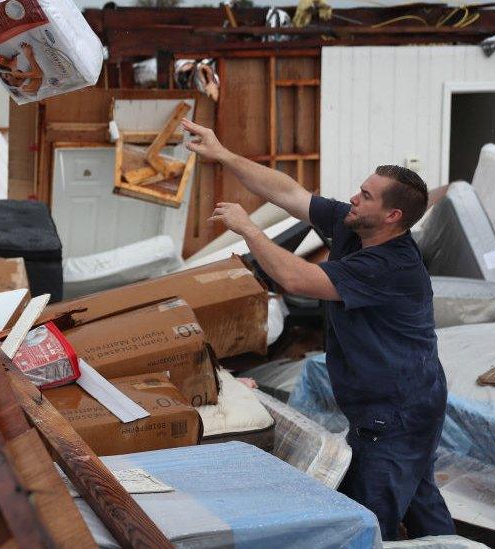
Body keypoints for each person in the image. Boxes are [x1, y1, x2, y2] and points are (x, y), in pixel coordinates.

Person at [180, 118, 455, 541]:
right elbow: (288, 192)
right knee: (420, 499)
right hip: (403, 401)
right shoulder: (356, 228)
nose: (353, 199)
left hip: (397, 413)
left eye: (365, 196)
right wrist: (224, 154)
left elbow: (298, 280)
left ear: (392, 215)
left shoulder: (391, 266)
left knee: (369, 516)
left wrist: (250, 230)